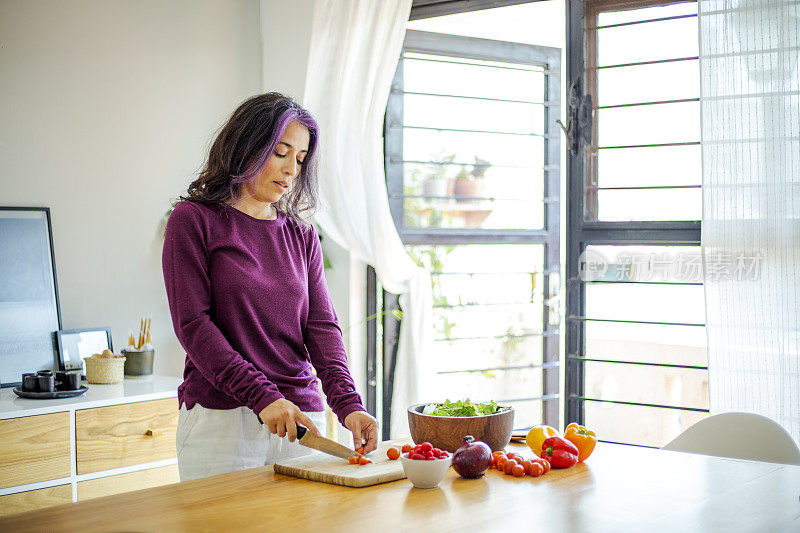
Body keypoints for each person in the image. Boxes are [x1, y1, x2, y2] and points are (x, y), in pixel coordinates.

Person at [162, 92, 378, 481]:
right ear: (247, 145)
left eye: (300, 158)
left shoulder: (301, 235)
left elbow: (321, 328)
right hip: (221, 422)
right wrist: (263, 396)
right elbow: (193, 325)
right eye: (281, 152)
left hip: (301, 422)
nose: (292, 169)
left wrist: (348, 404)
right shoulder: (193, 220)